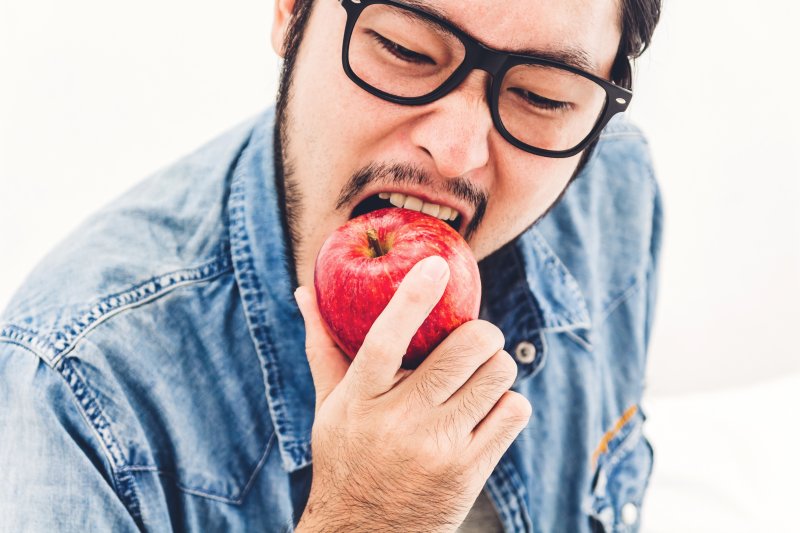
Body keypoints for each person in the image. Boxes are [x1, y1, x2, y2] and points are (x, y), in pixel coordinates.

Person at [0, 0, 663, 531]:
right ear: (291, 13)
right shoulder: (73, 394)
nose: (455, 150)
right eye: (407, 50)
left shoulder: (615, 195)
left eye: (544, 97)